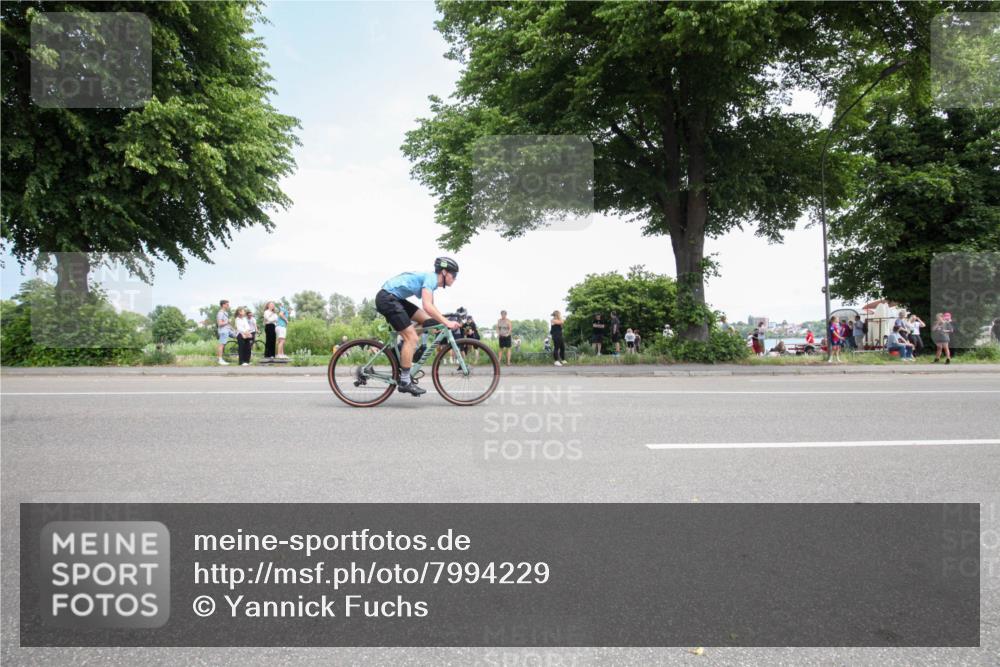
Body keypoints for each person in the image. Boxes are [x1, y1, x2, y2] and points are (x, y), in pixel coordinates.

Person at [374, 257, 461, 396]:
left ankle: (403, 346)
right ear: (444, 272)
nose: (455, 279)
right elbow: (427, 306)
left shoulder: (431, 282)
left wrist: (444, 319)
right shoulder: (431, 278)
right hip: (387, 299)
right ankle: (404, 381)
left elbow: (431, 310)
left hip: (395, 299)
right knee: (412, 338)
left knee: (429, 321)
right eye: (454, 275)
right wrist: (446, 322)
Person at [216, 299, 233, 365]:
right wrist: (227, 322)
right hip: (223, 331)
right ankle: (220, 360)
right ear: (223, 305)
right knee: (221, 345)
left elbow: (227, 324)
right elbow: (219, 323)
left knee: (239, 335)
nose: (228, 306)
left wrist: (233, 329)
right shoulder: (220, 313)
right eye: (227, 304)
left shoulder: (225, 313)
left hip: (227, 330)